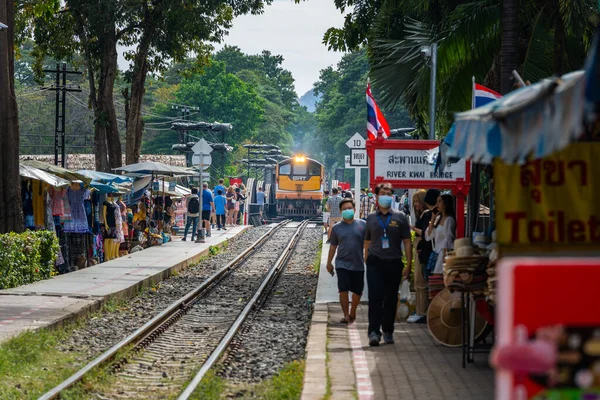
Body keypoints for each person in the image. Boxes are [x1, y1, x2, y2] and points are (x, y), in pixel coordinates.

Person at [364, 182, 412, 346]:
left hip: (394, 262)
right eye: (382, 193)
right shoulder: (370, 218)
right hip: (375, 263)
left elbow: (407, 241)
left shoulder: (400, 217)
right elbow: (367, 240)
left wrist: (408, 263)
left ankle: (388, 331)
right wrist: (366, 256)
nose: (386, 195)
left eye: (388, 193)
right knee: (375, 298)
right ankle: (373, 332)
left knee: (391, 298)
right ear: (377, 196)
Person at [326, 198, 366, 324]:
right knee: (343, 289)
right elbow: (333, 247)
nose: (347, 211)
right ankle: (346, 315)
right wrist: (329, 263)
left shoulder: (363, 225)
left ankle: (353, 310)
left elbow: (368, 243)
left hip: (358, 263)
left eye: (349, 208)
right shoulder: (337, 228)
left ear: (354, 209)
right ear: (340, 211)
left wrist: (368, 256)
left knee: (357, 291)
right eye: (344, 209)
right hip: (341, 263)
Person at [407, 189, 434, 324]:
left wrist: (412, 228)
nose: (416, 204)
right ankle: (419, 310)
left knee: (420, 282)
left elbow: (425, 234)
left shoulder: (427, 215)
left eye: (418, 201)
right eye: (414, 202)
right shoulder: (423, 215)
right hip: (420, 248)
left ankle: (422, 311)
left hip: (422, 250)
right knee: (418, 282)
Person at [424, 193, 456, 277]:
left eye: (439, 201)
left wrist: (445, 255)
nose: (437, 204)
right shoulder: (439, 218)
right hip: (436, 252)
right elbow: (429, 236)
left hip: (443, 252)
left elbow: (448, 238)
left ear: (446, 203)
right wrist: (433, 217)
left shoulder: (449, 220)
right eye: (436, 202)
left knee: (438, 277)